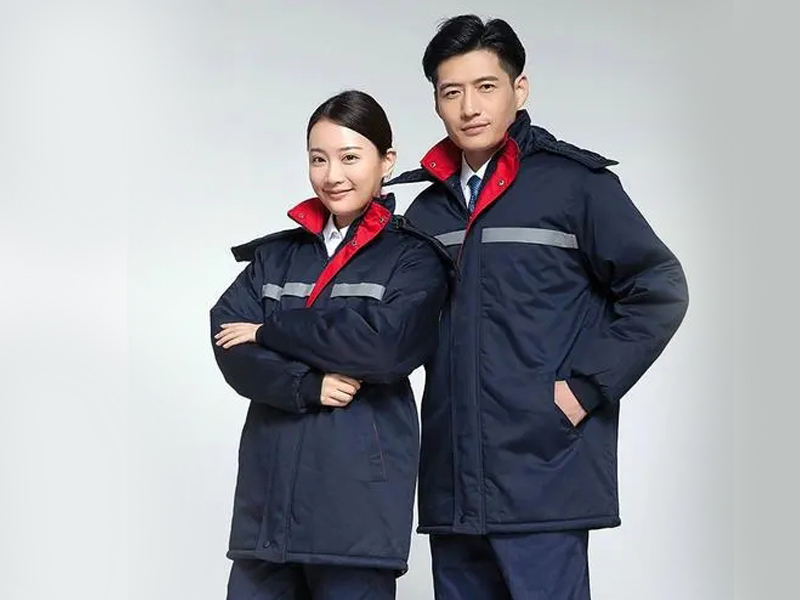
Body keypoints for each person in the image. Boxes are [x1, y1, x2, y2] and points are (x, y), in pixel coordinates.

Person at [386, 15, 690, 600]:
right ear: (436, 103)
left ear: (519, 89)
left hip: (544, 471)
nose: (470, 107)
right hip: (453, 483)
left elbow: (659, 286)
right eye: (452, 92)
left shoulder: (576, 186)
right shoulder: (424, 212)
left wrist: (585, 388)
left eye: (486, 87)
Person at [209, 89, 451, 600]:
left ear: (386, 161)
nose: (332, 175)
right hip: (267, 510)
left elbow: (384, 348)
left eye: (350, 157)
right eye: (318, 159)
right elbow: (228, 338)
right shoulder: (277, 257)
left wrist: (271, 330)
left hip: (355, 513)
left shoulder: (413, 259)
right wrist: (306, 384)